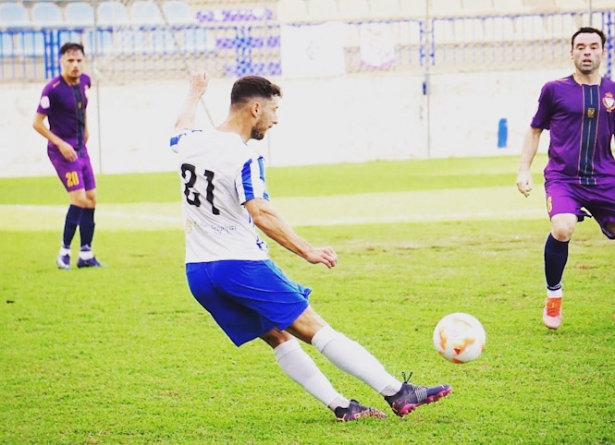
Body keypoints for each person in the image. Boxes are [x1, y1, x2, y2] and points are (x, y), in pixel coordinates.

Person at [170, 72, 452, 422]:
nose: (275, 119)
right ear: (255, 108)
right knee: (315, 327)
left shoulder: (190, 142)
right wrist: (308, 250)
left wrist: (194, 93)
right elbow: (261, 213)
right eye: (273, 110)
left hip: (198, 272)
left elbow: (181, 124)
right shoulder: (245, 157)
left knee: (278, 336)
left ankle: (341, 406)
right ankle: (396, 391)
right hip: (240, 265)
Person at [516, 27, 615, 330]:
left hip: (604, 178)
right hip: (563, 179)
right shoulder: (554, 89)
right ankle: (554, 295)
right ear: (571, 53)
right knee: (563, 227)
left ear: (602, 52)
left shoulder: (612, 91)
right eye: (581, 46)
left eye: (593, 46)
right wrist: (524, 169)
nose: (587, 51)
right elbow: (535, 129)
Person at [33, 42, 102, 270]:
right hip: (63, 153)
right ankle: (64, 252)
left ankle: (86, 254)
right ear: (61, 62)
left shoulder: (85, 81)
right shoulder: (52, 89)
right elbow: (37, 123)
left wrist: (86, 130)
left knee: (91, 198)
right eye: (70, 61)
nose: (75, 65)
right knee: (79, 199)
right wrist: (60, 143)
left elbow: (82, 107)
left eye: (79, 60)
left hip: (81, 149)